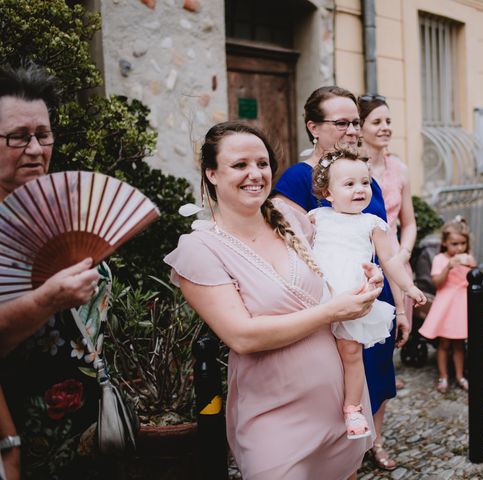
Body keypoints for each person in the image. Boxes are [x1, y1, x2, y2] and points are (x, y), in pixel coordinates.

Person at [164, 121, 385, 479]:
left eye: (262, 163)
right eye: (240, 165)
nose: (255, 174)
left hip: (337, 401)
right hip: (273, 414)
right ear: (212, 173)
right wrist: (330, 311)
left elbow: (336, 267)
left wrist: (365, 278)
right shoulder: (198, 249)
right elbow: (242, 336)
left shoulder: (291, 217)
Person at [274, 86, 405, 471]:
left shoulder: (365, 178)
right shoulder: (299, 179)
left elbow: (387, 243)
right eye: (342, 122)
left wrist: (402, 301)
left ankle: (372, 443)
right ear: (314, 127)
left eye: (355, 122)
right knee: (331, 381)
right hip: (329, 303)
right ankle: (333, 456)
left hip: (373, 296)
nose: (352, 129)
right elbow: (287, 247)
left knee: (377, 371)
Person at [0, 63, 105, 479]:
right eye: (17, 137)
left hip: (85, 429)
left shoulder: (59, 211)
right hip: (24, 432)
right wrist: (49, 300)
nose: (34, 148)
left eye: (42, 135)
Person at [309, 147, 426, 439]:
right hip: (318, 297)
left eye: (365, 182)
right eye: (349, 184)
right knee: (316, 355)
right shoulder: (316, 217)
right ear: (328, 192)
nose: (360, 189)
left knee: (352, 353)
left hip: (354, 298)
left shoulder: (372, 224)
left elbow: (389, 261)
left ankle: (353, 408)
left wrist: (409, 287)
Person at [358, 94, 417, 349]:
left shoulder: (400, 169)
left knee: (397, 327)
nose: (385, 127)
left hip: (397, 256)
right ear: (359, 128)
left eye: (388, 121)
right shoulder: (353, 169)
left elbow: (410, 222)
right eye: (376, 121)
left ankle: (391, 373)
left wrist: (403, 255)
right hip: (364, 256)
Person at [418, 217, 476, 393]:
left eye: (462, 244)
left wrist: (472, 266)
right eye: (454, 244)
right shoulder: (439, 259)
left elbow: (473, 278)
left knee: (459, 344)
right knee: (444, 344)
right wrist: (449, 267)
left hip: (462, 305)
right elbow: (437, 283)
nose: (459, 248)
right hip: (446, 306)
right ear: (445, 243)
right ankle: (443, 376)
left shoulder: (468, 257)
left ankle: (459, 375)